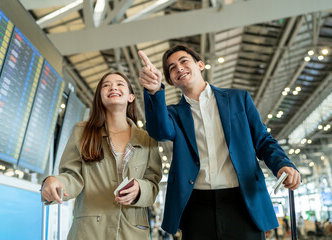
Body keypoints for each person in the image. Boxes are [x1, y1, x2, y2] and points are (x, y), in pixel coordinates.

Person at [137, 44, 301, 240]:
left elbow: (263, 140)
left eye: (183, 61)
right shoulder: (173, 114)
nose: (178, 68)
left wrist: (283, 164)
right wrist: (154, 92)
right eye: (172, 68)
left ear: (200, 65)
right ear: (171, 80)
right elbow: (159, 131)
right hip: (196, 206)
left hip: (243, 202)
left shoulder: (239, 99)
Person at [41, 72, 162, 240]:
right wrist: (55, 183)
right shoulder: (82, 131)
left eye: (120, 84)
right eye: (106, 85)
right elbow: (73, 176)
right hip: (89, 232)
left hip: (132, 232)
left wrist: (140, 189)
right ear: (100, 97)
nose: (113, 87)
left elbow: (153, 184)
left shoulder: (148, 138)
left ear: (131, 97)